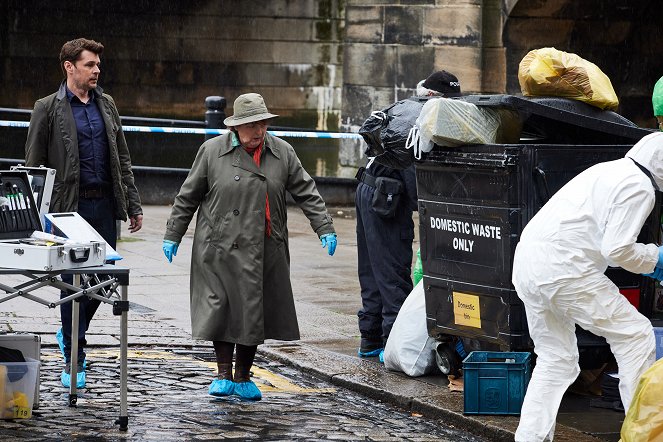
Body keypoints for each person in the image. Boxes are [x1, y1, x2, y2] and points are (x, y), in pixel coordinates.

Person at [162, 93, 337, 401]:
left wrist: (323, 226)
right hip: (218, 246)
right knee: (222, 309)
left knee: (253, 311)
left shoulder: (282, 152)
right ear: (237, 127)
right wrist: (173, 234)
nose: (259, 132)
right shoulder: (211, 151)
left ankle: (243, 376)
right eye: (253, 125)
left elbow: (306, 191)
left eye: (263, 124)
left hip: (264, 247)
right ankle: (222, 373)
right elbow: (187, 196)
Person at [511, 132, 663, 441]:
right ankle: (643, 434)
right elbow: (617, 250)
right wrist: (656, 259)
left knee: (556, 359)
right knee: (635, 335)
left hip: (529, 264)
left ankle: (530, 437)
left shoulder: (608, 170)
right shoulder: (639, 187)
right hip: (565, 270)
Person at [25, 38, 143, 389]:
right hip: (67, 209)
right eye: (90, 64)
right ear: (69, 66)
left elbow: (122, 158)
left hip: (104, 204)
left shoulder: (106, 104)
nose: (97, 70)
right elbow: (34, 166)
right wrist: (35, 216)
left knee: (99, 281)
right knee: (72, 282)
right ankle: (74, 356)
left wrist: (133, 204)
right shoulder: (46, 108)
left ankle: (68, 332)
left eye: (97, 65)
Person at [355, 70, 461, 362]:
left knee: (372, 272)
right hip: (386, 200)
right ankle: (393, 342)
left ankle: (369, 338)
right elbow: (418, 184)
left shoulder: (403, 108)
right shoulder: (424, 120)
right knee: (392, 271)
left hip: (367, 188)